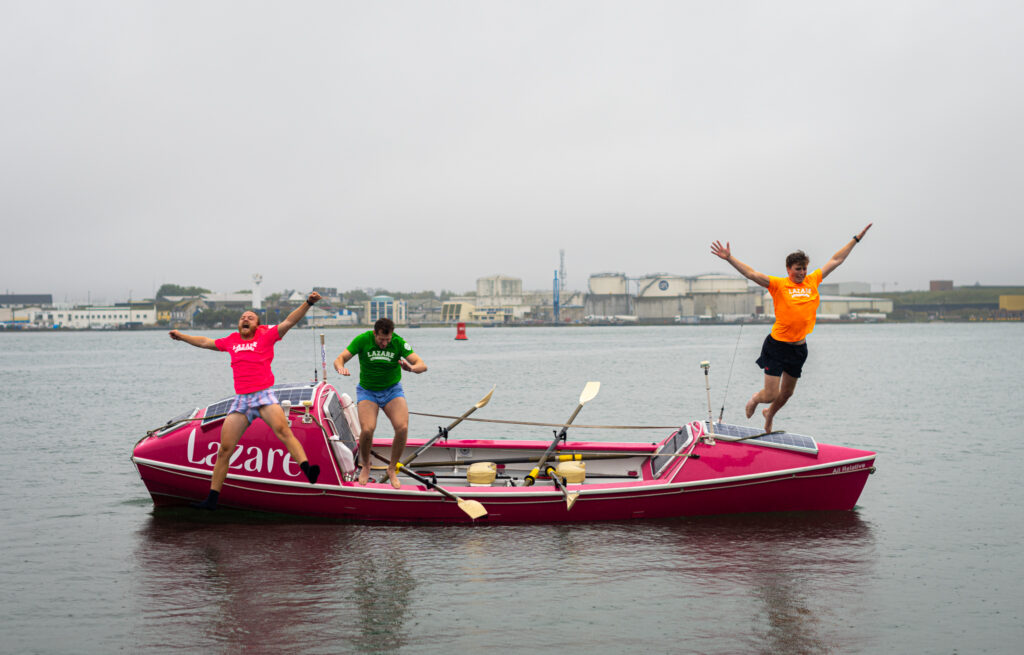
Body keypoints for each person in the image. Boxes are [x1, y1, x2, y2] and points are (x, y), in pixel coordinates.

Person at [168, 291, 323, 509]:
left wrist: (308, 303)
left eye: (250, 316)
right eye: (243, 317)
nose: (245, 318)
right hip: (241, 401)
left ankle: (308, 469)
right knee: (224, 450)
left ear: (258, 324)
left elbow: (289, 321)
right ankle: (212, 499)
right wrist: (182, 336)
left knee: (283, 431)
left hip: (263, 395)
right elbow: (204, 341)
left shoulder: (266, 335)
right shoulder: (231, 340)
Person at [711, 224, 872, 432]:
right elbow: (751, 274)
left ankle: (769, 415)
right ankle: (755, 400)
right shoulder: (778, 284)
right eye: (798, 269)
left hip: (799, 348)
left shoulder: (812, 281)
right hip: (777, 345)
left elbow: (836, 260)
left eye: (804, 268)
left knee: (786, 394)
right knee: (770, 395)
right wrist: (730, 258)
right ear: (789, 269)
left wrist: (856, 239)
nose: (802, 272)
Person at [333, 317, 427, 488]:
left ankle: (392, 468)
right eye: (381, 339)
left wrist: (411, 368)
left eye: (387, 340)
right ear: (375, 333)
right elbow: (340, 359)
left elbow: (422, 365)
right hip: (368, 391)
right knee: (367, 429)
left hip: (392, 390)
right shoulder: (363, 339)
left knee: (402, 427)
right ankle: (366, 465)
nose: (384, 343)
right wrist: (340, 367)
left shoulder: (398, 342)